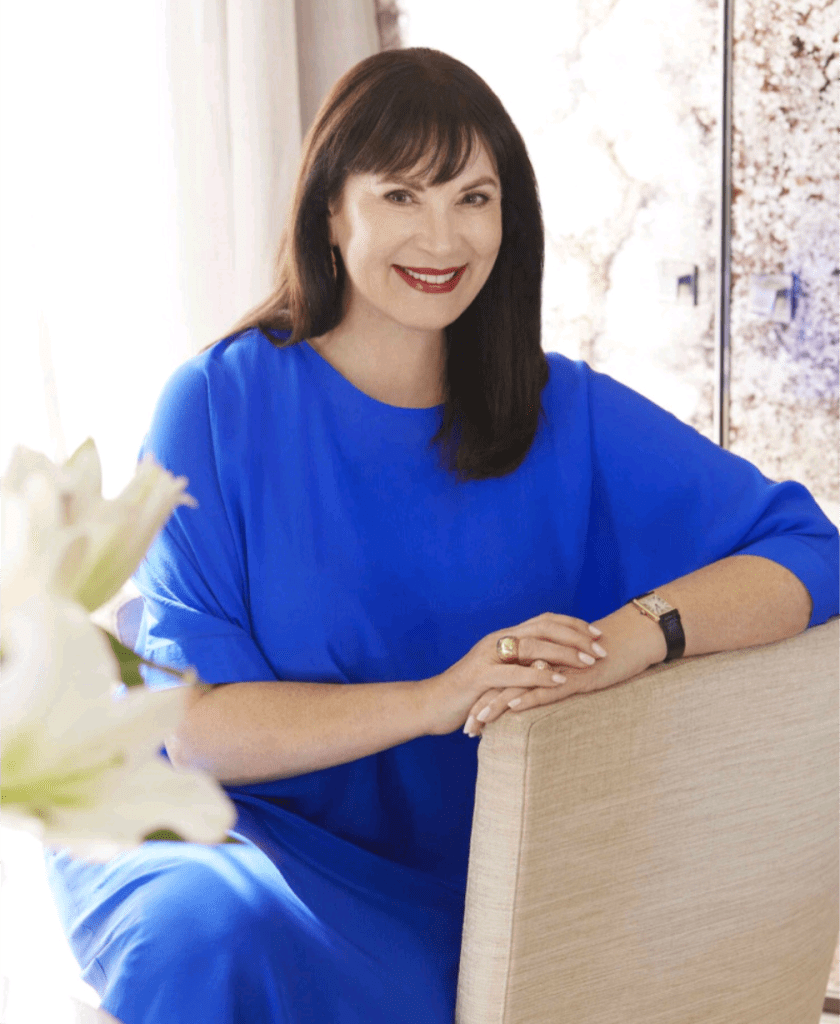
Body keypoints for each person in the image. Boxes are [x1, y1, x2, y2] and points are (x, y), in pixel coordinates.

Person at [45, 46, 839, 1024]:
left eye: (473, 198)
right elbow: (198, 732)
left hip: (459, 872)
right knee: (210, 936)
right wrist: (435, 698)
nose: (442, 235)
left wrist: (633, 636)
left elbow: (811, 550)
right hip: (222, 831)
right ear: (331, 212)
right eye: (401, 195)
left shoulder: (565, 414)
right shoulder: (216, 404)